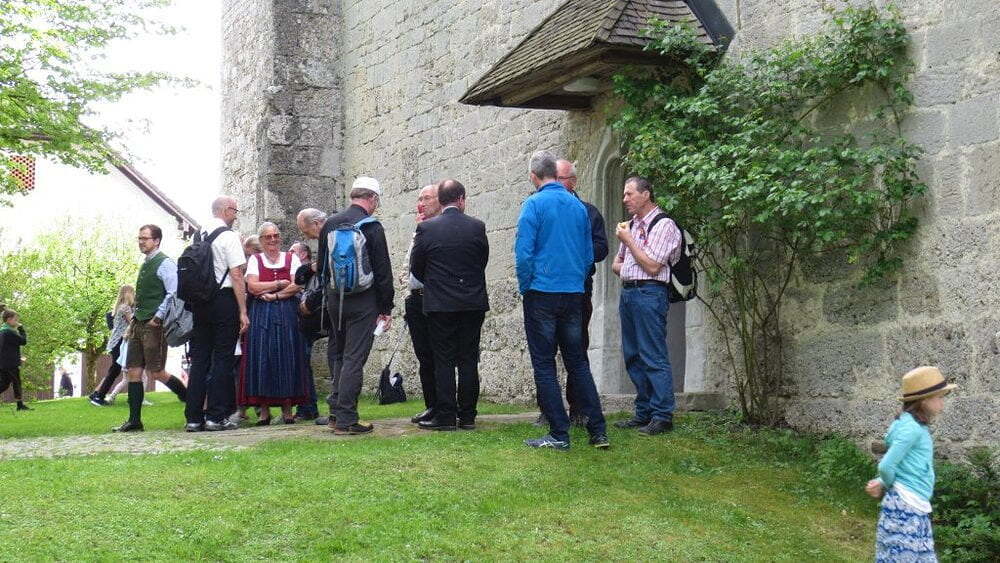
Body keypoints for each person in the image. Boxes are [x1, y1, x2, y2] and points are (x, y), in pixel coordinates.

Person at [515, 150, 608, 450]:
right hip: (573, 293)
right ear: (556, 174)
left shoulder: (533, 204)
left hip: (542, 292)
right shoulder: (578, 207)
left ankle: (558, 432)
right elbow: (586, 254)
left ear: (533, 176)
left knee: (544, 365)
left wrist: (526, 286)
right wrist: (576, 281)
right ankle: (598, 431)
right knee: (578, 362)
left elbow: (524, 254)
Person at [314, 177, 394, 435]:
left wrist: (328, 298)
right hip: (364, 301)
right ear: (372, 198)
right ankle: (348, 418)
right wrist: (386, 308)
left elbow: (322, 267)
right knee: (354, 358)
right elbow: (383, 272)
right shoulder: (372, 226)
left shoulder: (329, 224)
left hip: (336, 300)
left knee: (338, 355)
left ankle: (336, 415)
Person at [410, 179, 489, 431]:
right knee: (467, 359)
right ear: (462, 199)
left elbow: (416, 267)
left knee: (442, 359)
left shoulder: (427, 229)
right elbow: (481, 259)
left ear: (441, 200)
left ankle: (445, 416)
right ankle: (467, 416)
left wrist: (437, 283)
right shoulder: (477, 227)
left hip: (440, 303)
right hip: (471, 302)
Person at [612, 177, 683, 436]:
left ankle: (662, 415)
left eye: (629, 194)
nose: (625, 199)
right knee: (633, 355)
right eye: (623, 194)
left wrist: (631, 242)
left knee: (653, 355)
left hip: (650, 293)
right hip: (629, 293)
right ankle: (643, 413)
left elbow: (653, 266)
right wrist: (634, 253)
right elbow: (616, 266)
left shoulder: (664, 225)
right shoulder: (630, 226)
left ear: (646, 194)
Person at [866, 366, 956, 562]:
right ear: (924, 400)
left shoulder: (912, 426)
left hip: (916, 506)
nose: (942, 402)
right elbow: (886, 466)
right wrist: (889, 485)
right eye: (939, 397)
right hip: (905, 507)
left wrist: (882, 482)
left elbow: (900, 466)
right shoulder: (911, 430)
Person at [112, 224, 188, 432]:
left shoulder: (164, 263)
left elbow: (173, 292)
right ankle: (134, 420)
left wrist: (158, 316)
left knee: (157, 372)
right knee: (134, 372)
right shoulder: (146, 263)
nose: (141, 242)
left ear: (156, 241)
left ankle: (189, 399)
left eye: (145, 238)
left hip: (154, 325)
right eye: (139, 238)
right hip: (138, 322)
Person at [185, 197, 249, 432]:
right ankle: (216, 416)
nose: (235, 215)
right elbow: (236, 274)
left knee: (200, 359)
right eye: (234, 211)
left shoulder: (199, 234)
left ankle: (193, 417)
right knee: (223, 358)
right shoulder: (229, 237)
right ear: (224, 210)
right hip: (223, 300)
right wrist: (243, 309)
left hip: (201, 301)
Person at [241, 222, 309, 424]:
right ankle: (263, 411)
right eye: (268, 237)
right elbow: (252, 287)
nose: (273, 240)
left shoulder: (291, 258)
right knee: (263, 357)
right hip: (262, 314)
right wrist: (279, 284)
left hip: (287, 312)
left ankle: (288, 409)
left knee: (287, 356)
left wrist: (275, 295)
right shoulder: (255, 259)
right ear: (261, 240)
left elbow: (296, 285)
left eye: (276, 236)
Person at [295, 207, 340, 427]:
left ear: (316, 224)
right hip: (339, 305)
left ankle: (338, 412)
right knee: (338, 358)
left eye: (306, 232)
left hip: (336, 305)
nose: (308, 237)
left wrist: (309, 303)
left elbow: (326, 277)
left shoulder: (329, 236)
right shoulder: (336, 233)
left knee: (337, 358)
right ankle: (338, 411)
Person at [402, 184, 442, 424]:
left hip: (434, 298)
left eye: (426, 198)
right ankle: (432, 405)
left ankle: (444, 405)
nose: (421, 203)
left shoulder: (438, 229)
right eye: (419, 198)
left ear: (439, 200)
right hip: (415, 298)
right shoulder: (421, 229)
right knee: (424, 356)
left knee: (439, 356)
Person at [288, 239, 320, 420]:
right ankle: (307, 406)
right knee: (303, 363)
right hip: (307, 321)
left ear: (303, 254)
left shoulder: (307, 271)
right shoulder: (304, 271)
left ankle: (307, 407)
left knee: (303, 363)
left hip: (309, 321)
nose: (289, 254)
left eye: (293, 251)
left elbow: (302, 290)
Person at [89, 285, 135, 406]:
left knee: (114, 370)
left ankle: (97, 394)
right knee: (115, 370)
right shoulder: (125, 308)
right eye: (133, 292)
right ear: (128, 294)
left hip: (114, 342)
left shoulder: (119, 307)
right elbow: (133, 322)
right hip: (119, 342)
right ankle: (99, 396)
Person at [0, 309, 31, 411]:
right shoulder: (8, 332)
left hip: (5, 363)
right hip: (10, 364)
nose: (17, 322)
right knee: (16, 383)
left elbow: (7, 349)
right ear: (9, 319)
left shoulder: (2, 331)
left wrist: (18, 358)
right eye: (15, 319)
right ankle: (20, 405)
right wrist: (21, 328)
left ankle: (20, 404)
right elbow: (23, 341)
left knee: (4, 384)